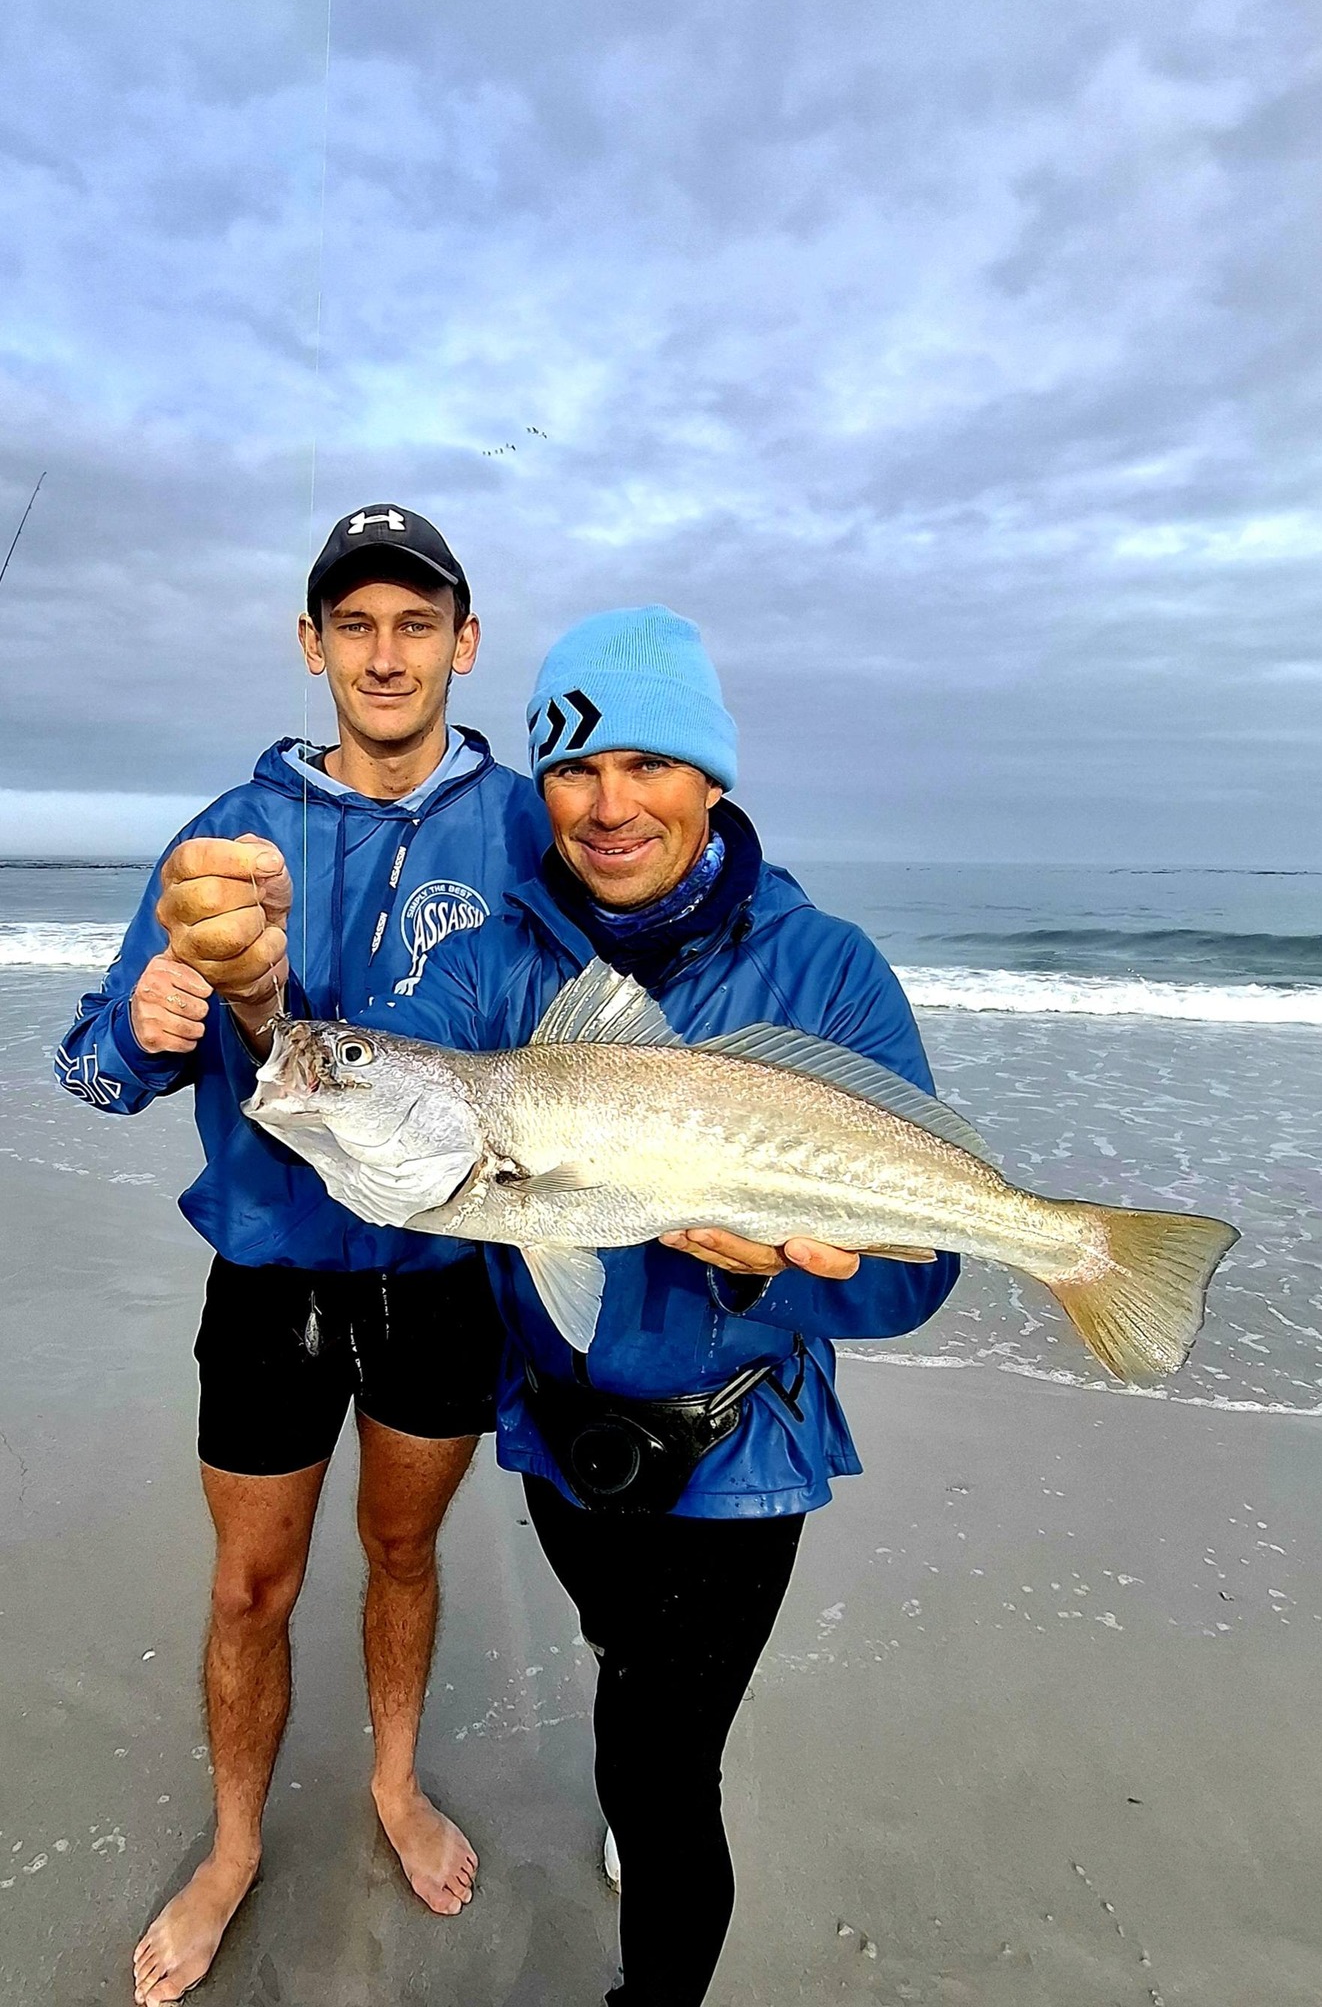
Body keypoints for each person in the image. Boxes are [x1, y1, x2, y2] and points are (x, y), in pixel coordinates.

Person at [362, 605, 961, 2005]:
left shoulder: (824, 967)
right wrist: (248, 1001)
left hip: (737, 1447)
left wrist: (766, 1264)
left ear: (710, 777)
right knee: (614, 1647)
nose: (610, 805)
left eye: (648, 763)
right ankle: (636, 1729)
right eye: (574, 769)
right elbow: (407, 1107)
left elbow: (918, 1272)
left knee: (657, 1765)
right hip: (559, 1429)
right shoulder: (492, 962)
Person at [54, 505, 548, 2007]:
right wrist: (143, 1031)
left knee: (403, 1552)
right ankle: (231, 1848)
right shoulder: (228, 830)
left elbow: (628, 1005)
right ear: (311, 644)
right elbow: (89, 1065)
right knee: (251, 1589)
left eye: (416, 625)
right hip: (270, 1273)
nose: (386, 655)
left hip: (444, 1275)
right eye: (356, 626)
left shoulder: (528, 830)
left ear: (465, 644)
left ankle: (393, 1782)